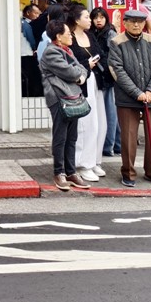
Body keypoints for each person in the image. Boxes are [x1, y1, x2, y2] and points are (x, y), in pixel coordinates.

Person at [108, 9, 151, 188]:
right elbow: (117, 71)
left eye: (140, 21)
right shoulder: (116, 42)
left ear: (144, 24)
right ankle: (128, 172)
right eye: (132, 21)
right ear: (125, 23)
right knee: (128, 137)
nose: (136, 25)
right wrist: (137, 93)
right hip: (127, 98)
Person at [39, 19, 91, 191]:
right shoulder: (51, 52)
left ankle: (71, 171)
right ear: (58, 36)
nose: (71, 36)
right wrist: (79, 76)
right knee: (61, 136)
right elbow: (70, 71)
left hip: (72, 97)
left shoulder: (67, 50)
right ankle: (59, 172)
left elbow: (82, 68)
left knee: (72, 136)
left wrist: (80, 75)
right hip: (59, 98)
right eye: (68, 34)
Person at [67, 4, 105, 183]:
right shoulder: (70, 37)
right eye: (87, 17)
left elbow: (101, 53)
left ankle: (94, 160)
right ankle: (82, 164)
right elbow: (69, 62)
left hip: (95, 81)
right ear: (76, 20)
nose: (91, 20)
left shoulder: (90, 35)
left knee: (99, 124)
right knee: (85, 124)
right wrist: (86, 64)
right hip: (81, 83)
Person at [90, 7, 121, 156]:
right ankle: (116, 145)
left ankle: (109, 146)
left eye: (101, 17)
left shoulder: (110, 33)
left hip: (108, 77)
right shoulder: (92, 33)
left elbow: (115, 56)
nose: (98, 20)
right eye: (95, 18)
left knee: (109, 112)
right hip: (100, 76)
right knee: (108, 111)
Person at [21, 4, 43, 97]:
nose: (37, 16)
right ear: (28, 12)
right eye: (35, 13)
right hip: (27, 55)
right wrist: (34, 48)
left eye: (39, 14)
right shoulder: (26, 25)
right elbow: (31, 40)